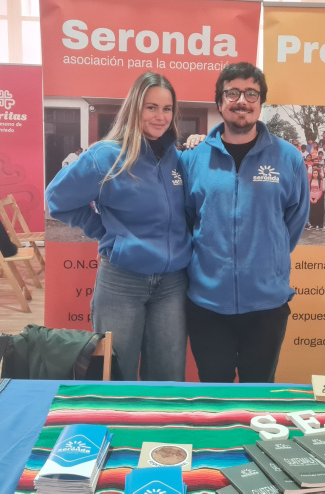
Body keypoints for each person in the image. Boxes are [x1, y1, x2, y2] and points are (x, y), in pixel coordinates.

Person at [46, 72, 190, 382]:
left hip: (172, 286)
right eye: (151, 107)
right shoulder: (106, 156)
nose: (160, 117)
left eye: (167, 109)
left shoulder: (178, 159)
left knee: (168, 379)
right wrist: (104, 230)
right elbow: (57, 199)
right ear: (135, 107)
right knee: (115, 376)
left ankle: (161, 430)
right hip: (122, 282)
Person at [181, 62, 310, 383]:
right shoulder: (193, 158)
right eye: (233, 93)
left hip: (266, 305)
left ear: (261, 103)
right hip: (207, 305)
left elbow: (294, 221)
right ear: (219, 102)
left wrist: (267, 257)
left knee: (258, 394)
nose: (242, 101)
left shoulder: (289, 158)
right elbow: (186, 219)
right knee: (215, 394)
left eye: (251, 93)